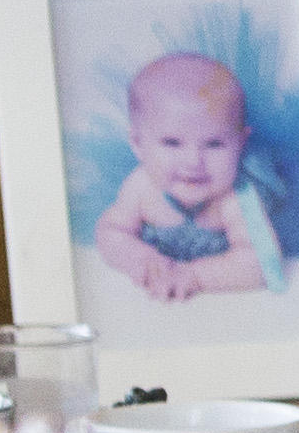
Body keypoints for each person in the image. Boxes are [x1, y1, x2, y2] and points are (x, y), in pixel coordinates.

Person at [90, 50, 279, 304]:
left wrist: (196, 276)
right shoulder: (141, 186)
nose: (193, 162)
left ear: (240, 143)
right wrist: (138, 257)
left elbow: (262, 263)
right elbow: (110, 231)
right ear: (137, 143)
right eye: (172, 143)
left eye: (214, 144)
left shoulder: (236, 196)